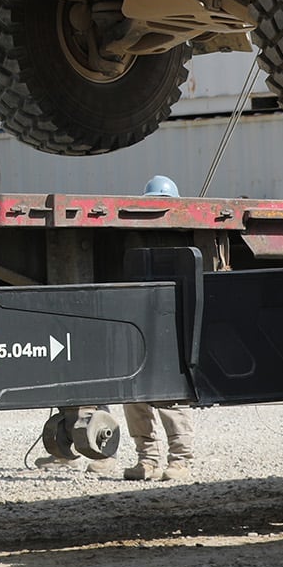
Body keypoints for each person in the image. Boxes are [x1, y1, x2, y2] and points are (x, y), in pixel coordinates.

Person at [125, 174, 197, 481]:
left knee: (170, 397)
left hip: (170, 323)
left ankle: (180, 460)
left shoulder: (185, 237)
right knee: (134, 394)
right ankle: (147, 460)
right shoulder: (137, 239)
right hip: (144, 321)